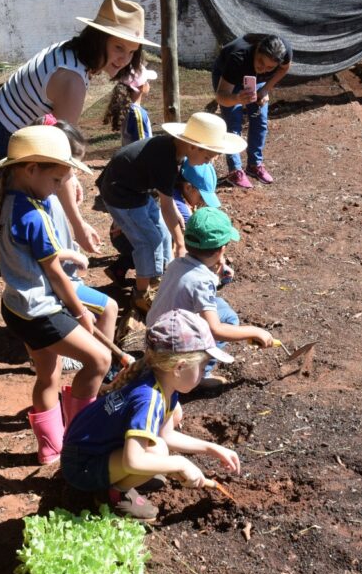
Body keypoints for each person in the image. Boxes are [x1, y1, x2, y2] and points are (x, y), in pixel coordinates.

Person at [0, 0, 158, 253]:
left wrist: (71, 177)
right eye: (118, 48)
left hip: (0, 132)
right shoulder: (72, 80)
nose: (125, 59)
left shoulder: (71, 53)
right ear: (99, 39)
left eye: (132, 52)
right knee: (43, 210)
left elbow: (58, 148)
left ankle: (30, 259)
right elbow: (58, 154)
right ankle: (33, 271)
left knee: (36, 209)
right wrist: (78, 227)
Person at [0, 124, 117, 465]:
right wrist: (80, 314)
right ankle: (81, 437)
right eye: (57, 180)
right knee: (99, 359)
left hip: (16, 307)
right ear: (31, 169)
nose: (60, 188)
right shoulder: (33, 213)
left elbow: (28, 254)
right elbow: (56, 277)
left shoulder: (9, 201)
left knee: (48, 373)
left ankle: (50, 449)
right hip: (41, 311)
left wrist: (65, 254)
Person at [61, 309, 241, 521]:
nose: (203, 373)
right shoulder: (149, 399)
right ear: (179, 367)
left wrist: (212, 448)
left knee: (159, 450)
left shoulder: (159, 382)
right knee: (158, 454)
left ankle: (121, 477)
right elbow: (133, 461)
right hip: (81, 467)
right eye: (202, 367)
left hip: (91, 451)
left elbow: (166, 435)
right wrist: (180, 464)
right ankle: (112, 494)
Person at [98, 112, 246, 312]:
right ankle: (141, 294)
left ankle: (159, 278)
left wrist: (175, 214)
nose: (208, 162)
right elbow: (166, 205)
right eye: (207, 156)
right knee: (148, 240)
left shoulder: (176, 152)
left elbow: (166, 197)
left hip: (138, 191)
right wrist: (180, 242)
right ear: (193, 146)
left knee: (162, 232)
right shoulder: (166, 159)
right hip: (121, 194)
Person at [147, 207, 273, 387]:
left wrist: (216, 271)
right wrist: (254, 331)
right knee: (228, 320)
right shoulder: (202, 281)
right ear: (221, 250)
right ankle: (197, 376)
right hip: (172, 348)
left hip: (155, 334)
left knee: (220, 306)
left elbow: (192, 284)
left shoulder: (178, 262)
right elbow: (216, 330)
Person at [105, 160, 222, 287]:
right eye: (201, 197)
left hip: (129, 234)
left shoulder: (171, 191)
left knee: (158, 243)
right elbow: (191, 245)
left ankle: (118, 269)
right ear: (188, 187)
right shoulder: (180, 209)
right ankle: (147, 285)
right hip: (128, 238)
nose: (203, 202)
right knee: (155, 251)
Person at [211, 34, 292, 188]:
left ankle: (254, 165)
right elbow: (221, 97)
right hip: (228, 79)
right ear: (257, 50)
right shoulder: (238, 58)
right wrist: (236, 99)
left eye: (269, 67)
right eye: (261, 62)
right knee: (233, 123)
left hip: (257, 82)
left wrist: (266, 90)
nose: (263, 69)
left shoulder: (284, 50)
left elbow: (285, 67)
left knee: (260, 119)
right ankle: (235, 171)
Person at [103, 64, 158, 146]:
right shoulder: (137, 114)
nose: (148, 84)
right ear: (141, 87)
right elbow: (141, 146)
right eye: (147, 81)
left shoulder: (126, 108)